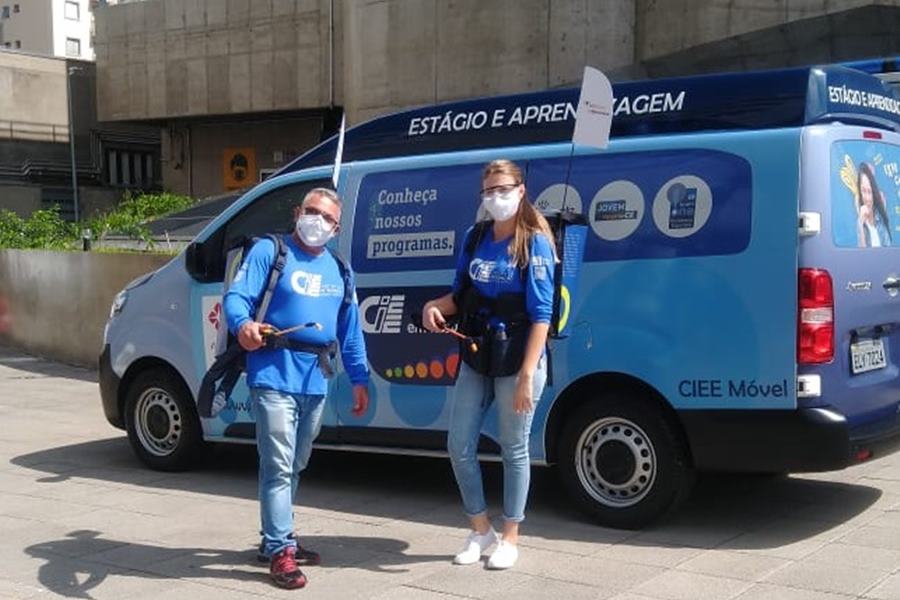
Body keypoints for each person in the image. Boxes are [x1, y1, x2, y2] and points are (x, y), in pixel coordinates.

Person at [223, 187, 369, 590]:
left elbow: (350, 329)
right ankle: (280, 548)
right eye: (312, 211)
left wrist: (360, 377)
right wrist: (244, 326)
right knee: (278, 464)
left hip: (315, 378)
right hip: (272, 374)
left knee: (296, 461)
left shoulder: (340, 269)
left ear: (336, 228)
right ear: (297, 212)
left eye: (327, 218)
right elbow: (237, 298)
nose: (318, 221)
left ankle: (278, 536)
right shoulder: (270, 252)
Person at [421, 159, 556, 570]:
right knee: (459, 444)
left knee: (514, 448)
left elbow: (542, 315)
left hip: (519, 357)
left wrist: (527, 377)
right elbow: (460, 296)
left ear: (520, 190)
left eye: (503, 189)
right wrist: (433, 306)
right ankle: (481, 529)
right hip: (479, 351)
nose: (496, 198)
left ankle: (511, 536)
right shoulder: (475, 236)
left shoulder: (534, 243)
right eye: (489, 192)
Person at [856, 162, 892, 248]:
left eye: (870, 192)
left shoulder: (880, 219)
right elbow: (861, 257)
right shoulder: (859, 223)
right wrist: (860, 224)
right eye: (863, 191)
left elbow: (888, 251)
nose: (867, 198)